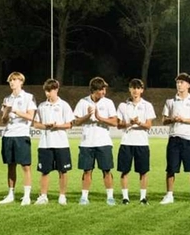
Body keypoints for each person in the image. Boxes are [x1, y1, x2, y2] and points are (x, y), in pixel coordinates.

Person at [72, 77, 119, 205]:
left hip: (104, 142)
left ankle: (110, 197)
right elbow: (75, 122)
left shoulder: (108, 102)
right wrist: (87, 116)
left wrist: (99, 118)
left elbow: (115, 122)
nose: (104, 91)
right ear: (94, 90)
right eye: (101, 89)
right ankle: (84, 197)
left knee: (107, 170)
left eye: (104, 89)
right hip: (87, 142)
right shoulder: (83, 102)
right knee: (87, 170)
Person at [160, 72, 190, 205]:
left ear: (189, 85)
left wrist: (184, 119)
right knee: (171, 168)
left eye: (182, 82)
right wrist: (172, 119)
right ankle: (169, 195)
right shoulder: (170, 101)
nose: (179, 85)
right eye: (178, 82)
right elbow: (163, 120)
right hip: (174, 138)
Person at [33, 78, 74, 205]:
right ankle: (43, 196)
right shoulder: (41, 106)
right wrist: (46, 126)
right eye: (46, 91)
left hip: (61, 143)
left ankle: (62, 196)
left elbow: (70, 124)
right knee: (44, 171)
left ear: (56, 90)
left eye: (50, 91)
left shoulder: (64, 105)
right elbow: (35, 124)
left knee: (63, 171)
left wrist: (58, 126)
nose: (47, 93)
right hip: (45, 143)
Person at [0, 72, 36, 205]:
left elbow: (31, 117)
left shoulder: (28, 97)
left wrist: (15, 111)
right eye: (10, 80)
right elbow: (3, 120)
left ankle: (26, 195)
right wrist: (6, 113)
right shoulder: (7, 98)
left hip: (22, 135)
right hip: (8, 135)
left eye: (15, 80)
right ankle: (10, 194)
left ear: (21, 82)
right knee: (10, 166)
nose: (12, 82)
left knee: (25, 166)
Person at [116, 78, 155, 204]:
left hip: (142, 142)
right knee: (124, 170)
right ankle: (125, 197)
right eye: (133, 88)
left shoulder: (147, 105)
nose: (135, 91)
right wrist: (129, 123)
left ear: (142, 90)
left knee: (143, 171)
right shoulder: (123, 105)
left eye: (138, 88)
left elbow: (149, 125)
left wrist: (139, 122)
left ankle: (143, 198)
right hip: (126, 142)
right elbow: (119, 125)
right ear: (130, 89)